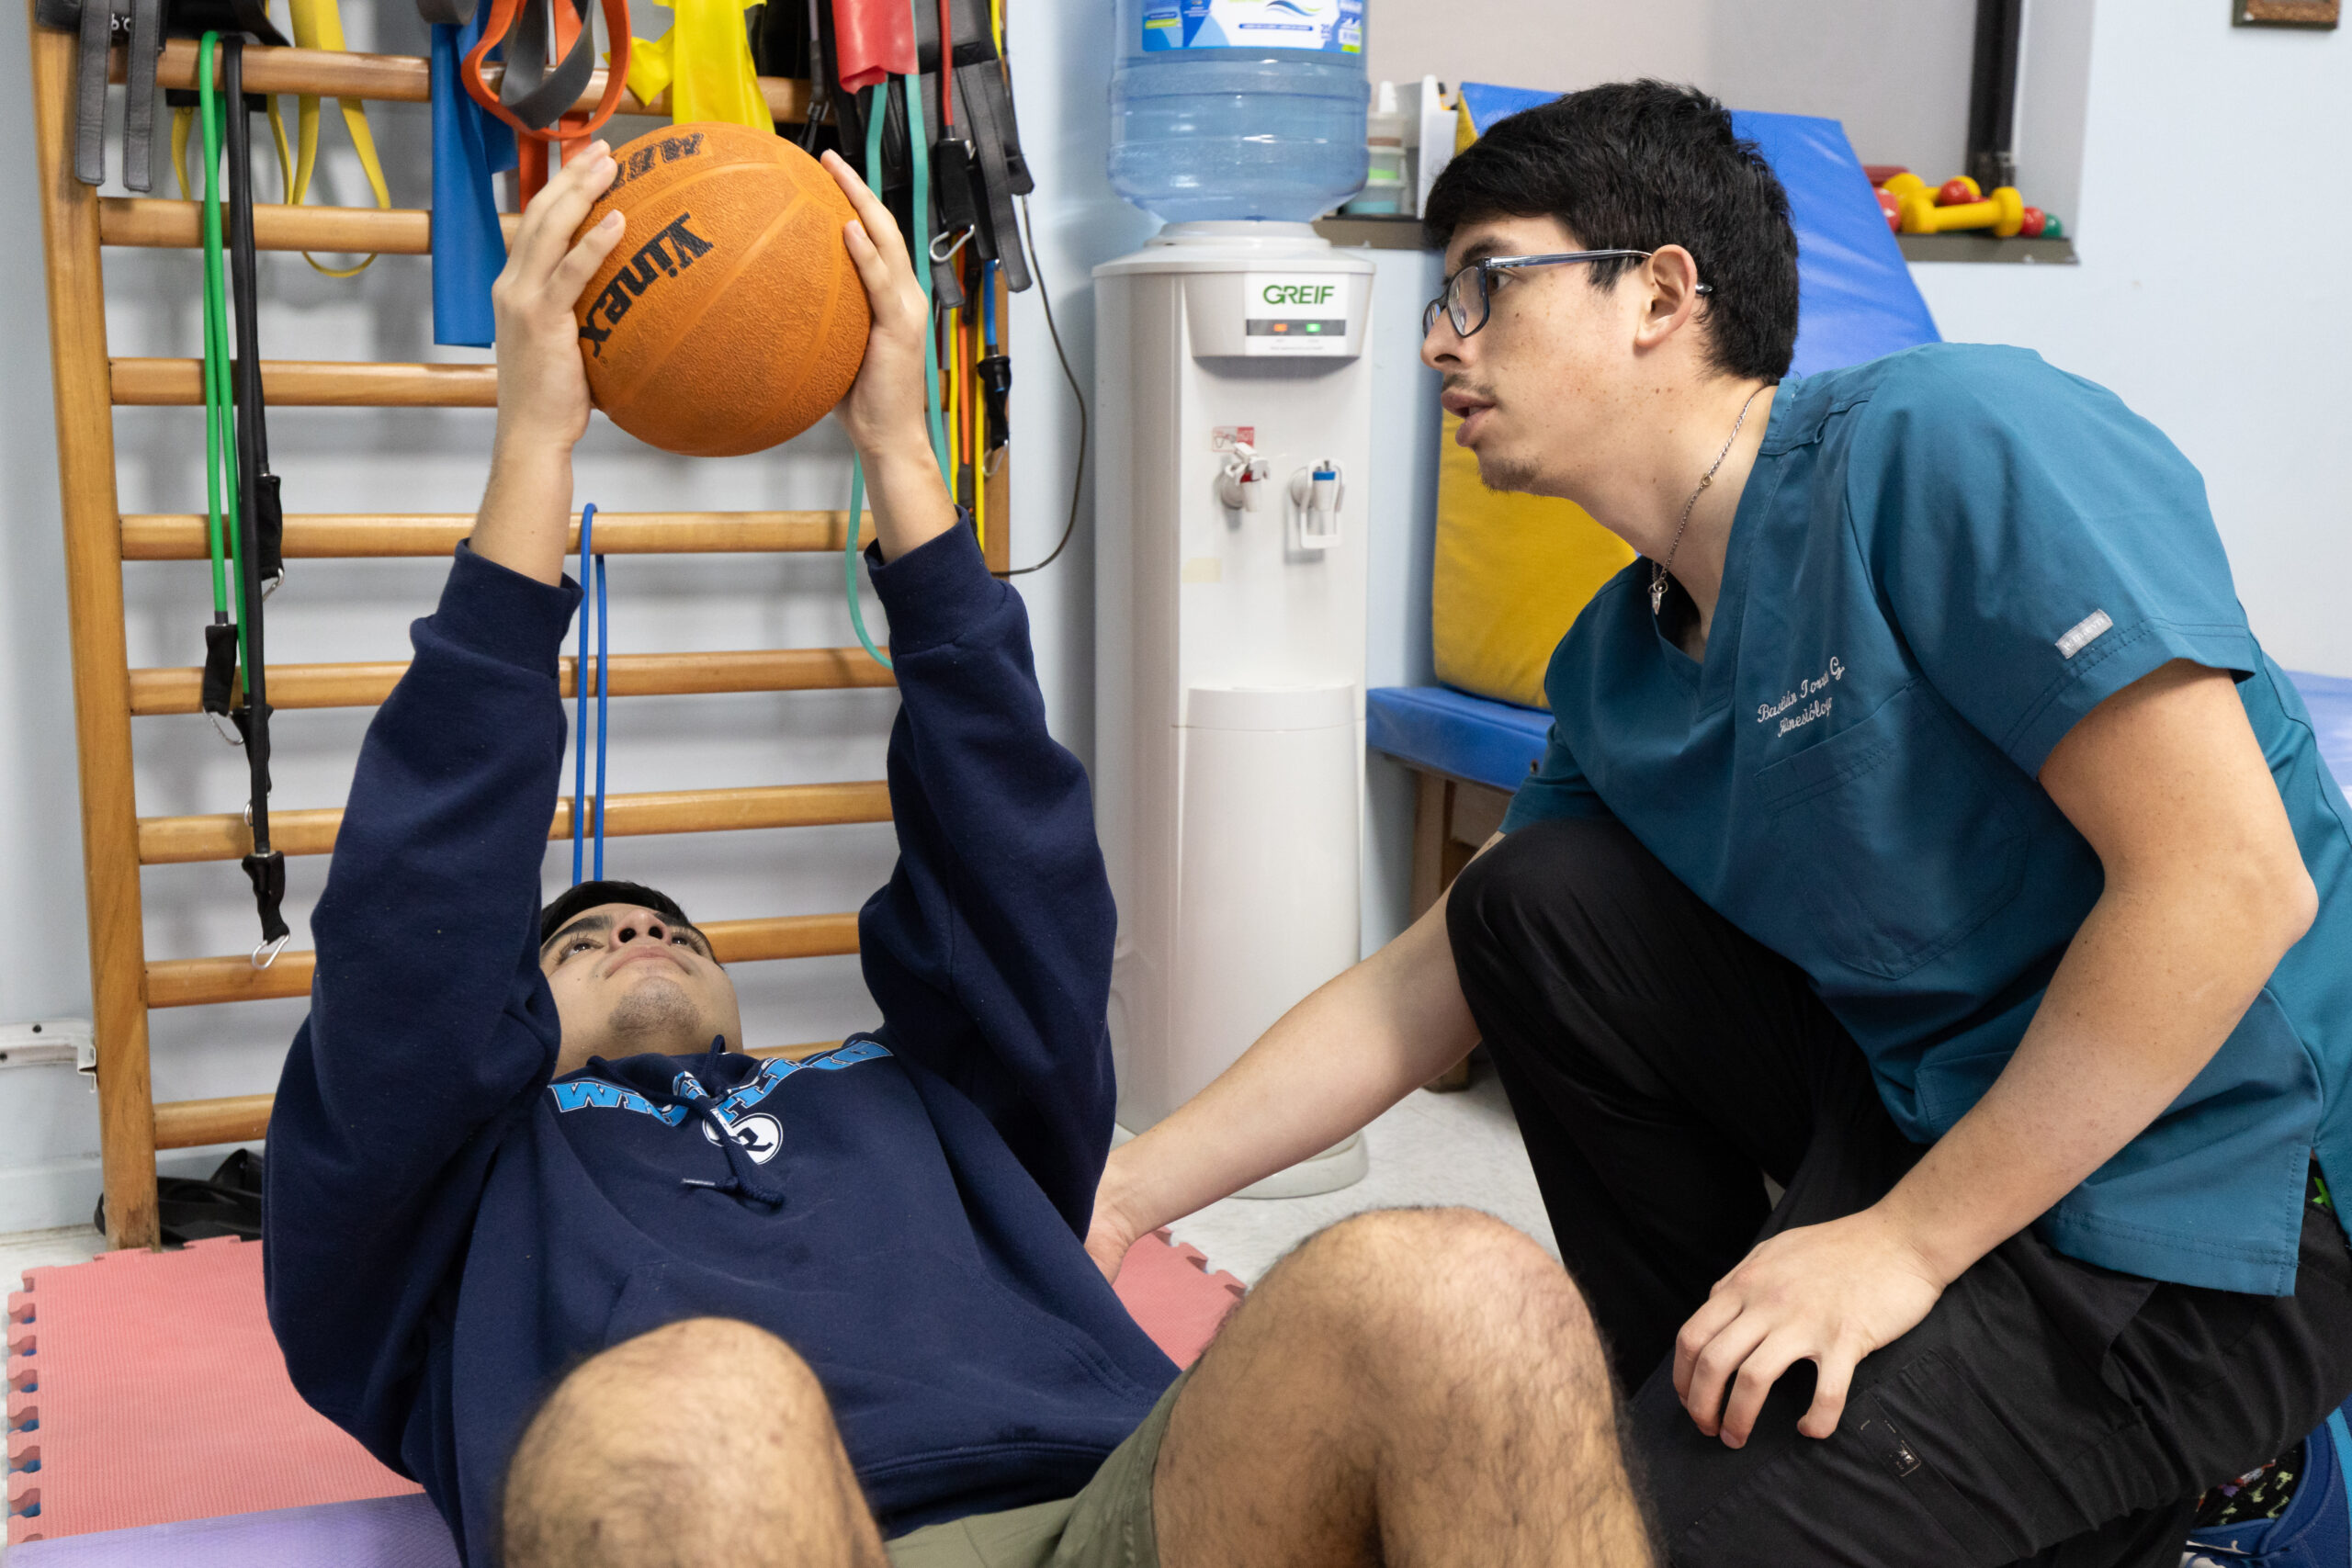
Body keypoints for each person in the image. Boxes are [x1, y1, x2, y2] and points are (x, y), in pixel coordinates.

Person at [260, 142, 1657, 1568]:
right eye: (579, 940)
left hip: (1110, 1512)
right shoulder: (440, 1192)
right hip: (751, 1527)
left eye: (671, 929)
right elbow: (412, 937)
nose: (637, 932)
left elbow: (1016, 870)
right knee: (706, 1407)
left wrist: (901, 453)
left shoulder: (915, 1095)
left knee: (1464, 1286)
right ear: (505, 1027)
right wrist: (533, 454)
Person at [1089, 81, 2352, 1567]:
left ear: (1659, 294)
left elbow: (2231, 880)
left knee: (1650, 1547)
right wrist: (1123, 1192)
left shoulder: (1952, 439)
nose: (1440, 341)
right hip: (1936, 1120)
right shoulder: (1620, 661)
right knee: (1530, 905)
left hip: (2220, 1182)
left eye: (1485, 284)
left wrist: (1902, 1248)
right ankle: (1730, 1397)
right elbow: (1418, 989)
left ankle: (2228, 1473)